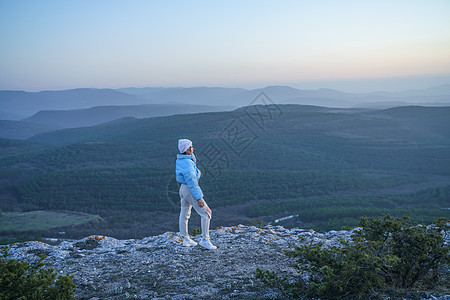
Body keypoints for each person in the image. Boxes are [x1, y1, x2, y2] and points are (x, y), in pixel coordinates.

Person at [176, 139, 217, 250]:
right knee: (207, 213)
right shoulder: (188, 163)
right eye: (191, 147)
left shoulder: (181, 160)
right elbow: (192, 182)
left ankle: (186, 239)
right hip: (190, 190)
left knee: (184, 214)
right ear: (186, 149)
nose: (193, 148)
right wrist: (200, 198)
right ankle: (205, 240)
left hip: (183, 189)